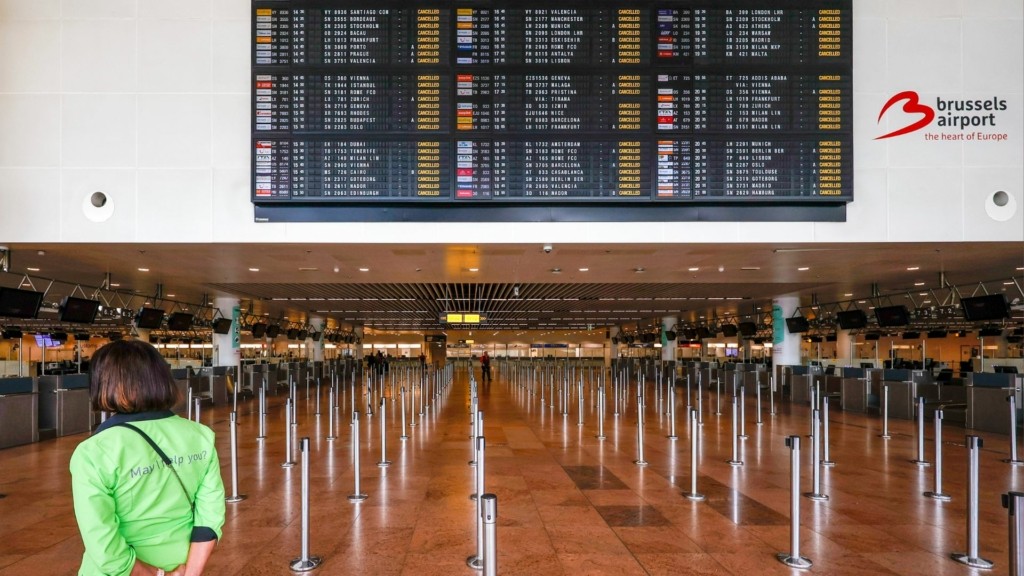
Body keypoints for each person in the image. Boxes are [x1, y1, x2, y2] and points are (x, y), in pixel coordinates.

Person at [70, 340, 225, 576]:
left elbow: (102, 541)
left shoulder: (94, 452)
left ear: (105, 384)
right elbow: (210, 518)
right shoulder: (201, 436)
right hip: (183, 564)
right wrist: (189, 573)